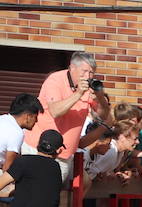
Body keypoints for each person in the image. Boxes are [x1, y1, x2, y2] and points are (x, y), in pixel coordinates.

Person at [24, 51, 96, 183]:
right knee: (33, 189)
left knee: (53, 192)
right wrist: (79, 93)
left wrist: (101, 97)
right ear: (72, 67)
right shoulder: (55, 80)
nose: (88, 76)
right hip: (38, 148)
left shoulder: (89, 88)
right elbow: (55, 111)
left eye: (91, 73)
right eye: (85, 71)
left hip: (63, 154)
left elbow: (104, 116)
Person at [0, 94, 42, 174]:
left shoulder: (3, 118)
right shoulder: (17, 133)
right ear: (28, 116)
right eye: (35, 117)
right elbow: (7, 168)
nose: (36, 121)